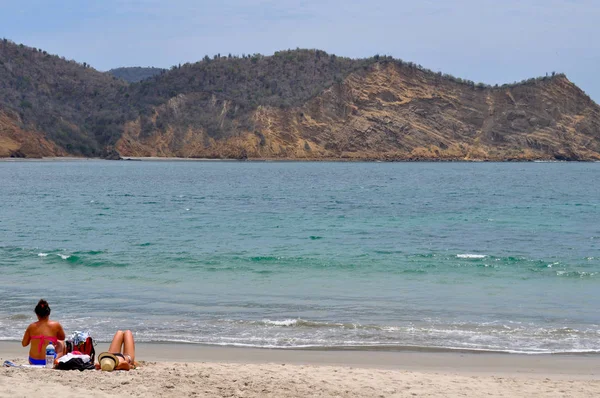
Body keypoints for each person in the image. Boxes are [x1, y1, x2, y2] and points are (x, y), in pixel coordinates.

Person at [21, 299, 66, 365]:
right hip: (49, 361)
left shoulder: (31, 326)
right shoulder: (56, 325)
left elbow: (24, 344)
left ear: (36, 314)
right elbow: (62, 338)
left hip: (33, 361)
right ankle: (56, 360)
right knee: (61, 343)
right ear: (49, 313)